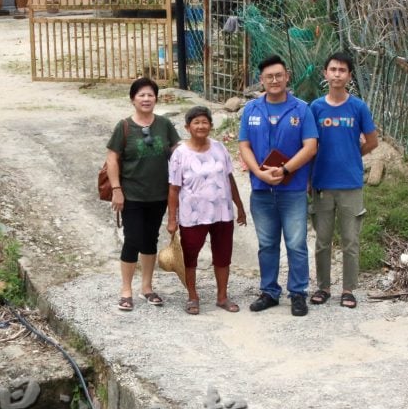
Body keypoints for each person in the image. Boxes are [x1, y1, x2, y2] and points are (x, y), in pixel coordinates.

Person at [239, 54, 319, 316]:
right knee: (267, 243)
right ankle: (269, 291)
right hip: (261, 190)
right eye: (268, 77)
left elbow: (310, 147)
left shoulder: (301, 109)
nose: (274, 80)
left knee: (296, 243)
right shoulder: (251, 110)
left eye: (278, 75)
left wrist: (285, 169)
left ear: (287, 77)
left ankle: (298, 293)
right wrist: (259, 174)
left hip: (292, 189)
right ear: (261, 80)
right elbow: (244, 146)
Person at [308, 52, 379, 309]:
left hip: (350, 184)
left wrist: (351, 153)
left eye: (342, 70)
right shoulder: (315, 108)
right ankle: (323, 287)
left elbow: (372, 141)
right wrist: (308, 178)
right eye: (333, 69)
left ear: (349, 76)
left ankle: (348, 289)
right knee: (322, 240)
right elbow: (308, 145)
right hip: (322, 184)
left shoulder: (358, 107)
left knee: (351, 240)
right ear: (325, 74)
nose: (337, 74)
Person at [106, 77, 180, 312]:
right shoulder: (124, 126)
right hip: (132, 195)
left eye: (150, 95)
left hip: (158, 194)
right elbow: (112, 160)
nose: (146, 99)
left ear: (156, 98)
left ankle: (147, 287)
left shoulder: (164, 125)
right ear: (133, 99)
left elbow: (178, 151)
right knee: (133, 239)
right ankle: (126, 290)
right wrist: (117, 189)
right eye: (141, 95)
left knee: (150, 240)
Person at [166, 106, 248, 315]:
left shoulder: (219, 148)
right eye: (196, 122)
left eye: (205, 122)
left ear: (210, 125)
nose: (201, 126)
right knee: (190, 257)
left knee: (223, 255)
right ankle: (193, 297)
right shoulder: (180, 154)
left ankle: (222, 296)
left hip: (222, 212)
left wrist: (239, 206)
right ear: (187, 127)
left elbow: (229, 178)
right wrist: (172, 219)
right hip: (192, 215)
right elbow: (174, 189)